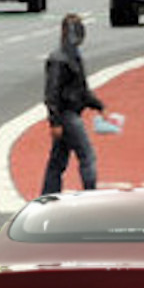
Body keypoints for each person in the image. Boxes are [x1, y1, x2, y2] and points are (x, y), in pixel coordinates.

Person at [42, 13, 106, 194]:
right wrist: (54, 121)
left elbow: (81, 89)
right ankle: (89, 193)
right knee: (87, 155)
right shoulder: (61, 58)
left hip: (68, 114)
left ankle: (48, 195)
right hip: (67, 114)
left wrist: (98, 105)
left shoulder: (69, 56)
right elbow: (52, 92)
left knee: (58, 160)